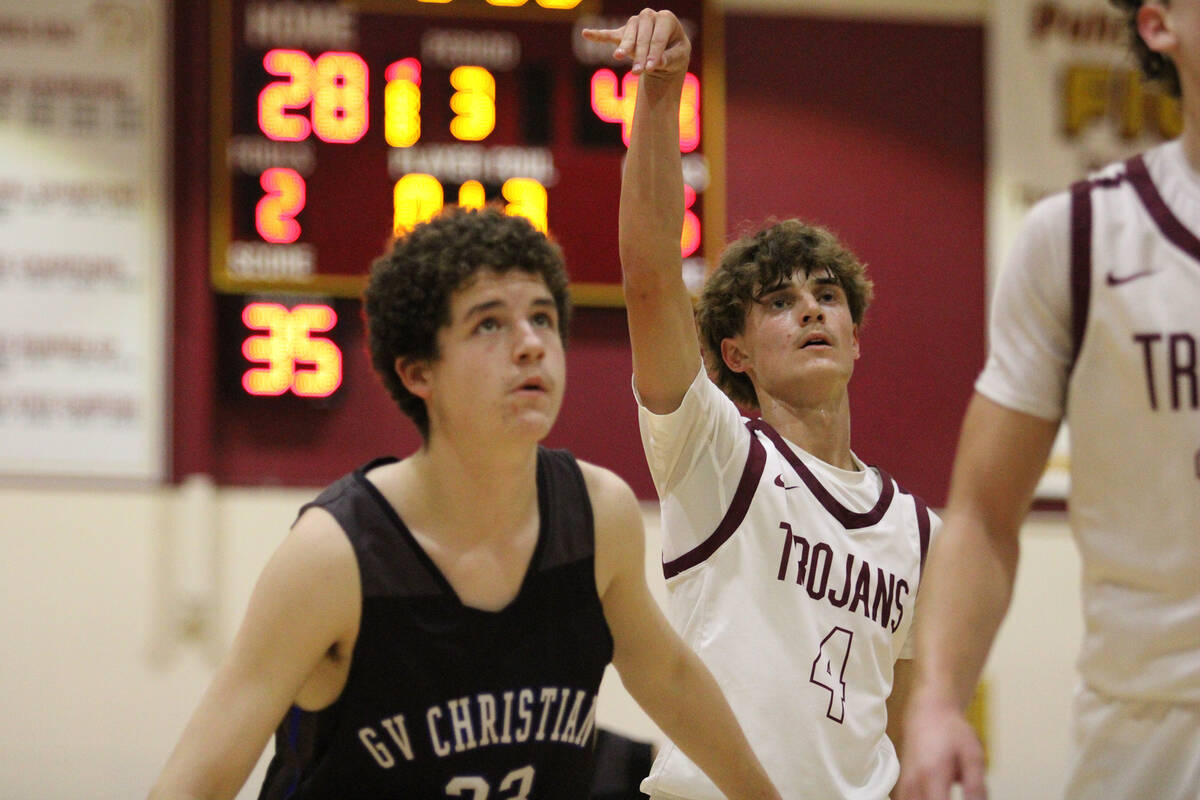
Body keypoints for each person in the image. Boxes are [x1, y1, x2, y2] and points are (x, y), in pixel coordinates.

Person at [147, 207, 781, 800]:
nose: (531, 343)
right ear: (419, 371)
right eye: (489, 323)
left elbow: (668, 676)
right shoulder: (334, 557)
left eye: (542, 317)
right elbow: (194, 784)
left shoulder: (597, 517)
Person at [583, 11, 937, 799]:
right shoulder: (716, 450)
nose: (811, 310)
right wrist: (659, 99)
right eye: (779, 302)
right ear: (735, 354)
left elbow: (908, 731)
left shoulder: (920, 533)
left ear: (855, 335)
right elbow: (647, 274)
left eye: (828, 296)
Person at [897, 2, 1200, 799]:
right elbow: (986, 516)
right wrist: (934, 703)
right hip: (1152, 729)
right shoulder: (1079, 236)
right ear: (1160, 23)